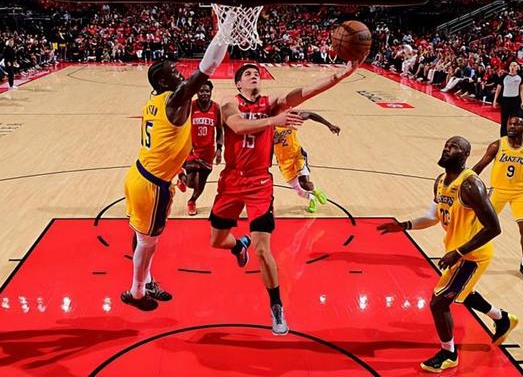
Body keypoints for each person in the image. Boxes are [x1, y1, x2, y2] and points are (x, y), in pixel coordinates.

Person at [209, 61, 360, 335]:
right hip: (231, 180)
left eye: (256, 73)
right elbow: (238, 126)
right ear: (238, 83)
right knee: (217, 240)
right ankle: (238, 245)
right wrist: (273, 121)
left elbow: (305, 92)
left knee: (262, 250)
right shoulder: (229, 102)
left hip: (259, 182)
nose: (253, 76)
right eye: (247, 74)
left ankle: (276, 306)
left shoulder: (271, 103)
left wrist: (341, 74)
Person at [377, 137, 518, 373]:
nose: (446, 149)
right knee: (462, 291)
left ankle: (448, 353)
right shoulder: (440, 182)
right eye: (446, 146)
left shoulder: (471, 185)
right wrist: (404, 225)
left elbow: (494, 228)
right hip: (457, 252)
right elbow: (432, 217)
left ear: (465, 155)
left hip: (473, 255)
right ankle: (502, 318)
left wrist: (458, 252)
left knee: (439, 302)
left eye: (453, 147)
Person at [121, 22, 232, 311]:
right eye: (173, 71)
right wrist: (225, 30)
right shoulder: (174, 100)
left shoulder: (155, 101)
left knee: (141, 236)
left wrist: (177, 166)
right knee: (149, 242)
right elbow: (205, 68)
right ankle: (136, 291)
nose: (179, 72)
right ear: (162, 81)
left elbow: (165, 139)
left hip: (142, 174)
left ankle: (145, 282)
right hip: (151, 185)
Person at [472, 112, 523, 282]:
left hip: (520, 193)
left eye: (516, 124)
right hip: (498, 191)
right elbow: (480, 166)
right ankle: (469, 254)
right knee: (480, 226)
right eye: (510, 124)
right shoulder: (497, 145)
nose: (512, 126)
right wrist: (463, 182)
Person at [273, 111, 340, 213]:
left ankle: (315, 191)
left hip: (297, 155)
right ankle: (313, 197)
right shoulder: (268, 125)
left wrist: (329, 125)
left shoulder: (289, 118)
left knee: (304, 183)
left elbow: (310, 115)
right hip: (283, 162)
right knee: (300, 191)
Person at [177, 81, 223, 216]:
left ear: (211, 92)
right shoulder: (191, 106)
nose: (204, 93)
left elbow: (220, 131)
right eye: (201, 91)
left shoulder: (216, 108)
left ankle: (192, 201)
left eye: (207, 91)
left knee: (201, 183)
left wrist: (219, 149)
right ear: (197, 92)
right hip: (191, 150)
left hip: (208, 152)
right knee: (191, 183)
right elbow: (181, 126)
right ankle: (181, 176)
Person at [493, 62, 523, 136]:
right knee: (504, 121)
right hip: (505, 100)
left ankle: (513, 136)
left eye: (514, 66)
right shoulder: (504, 76)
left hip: (515, 101)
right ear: (509, 67)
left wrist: (522, 101)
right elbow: (498, 89)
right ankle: (503, 137)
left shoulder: (520, 77)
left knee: (514, 121)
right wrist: (495, 100)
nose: (512, 67)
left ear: (517, 68)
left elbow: (522, 89)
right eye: (511, 65)